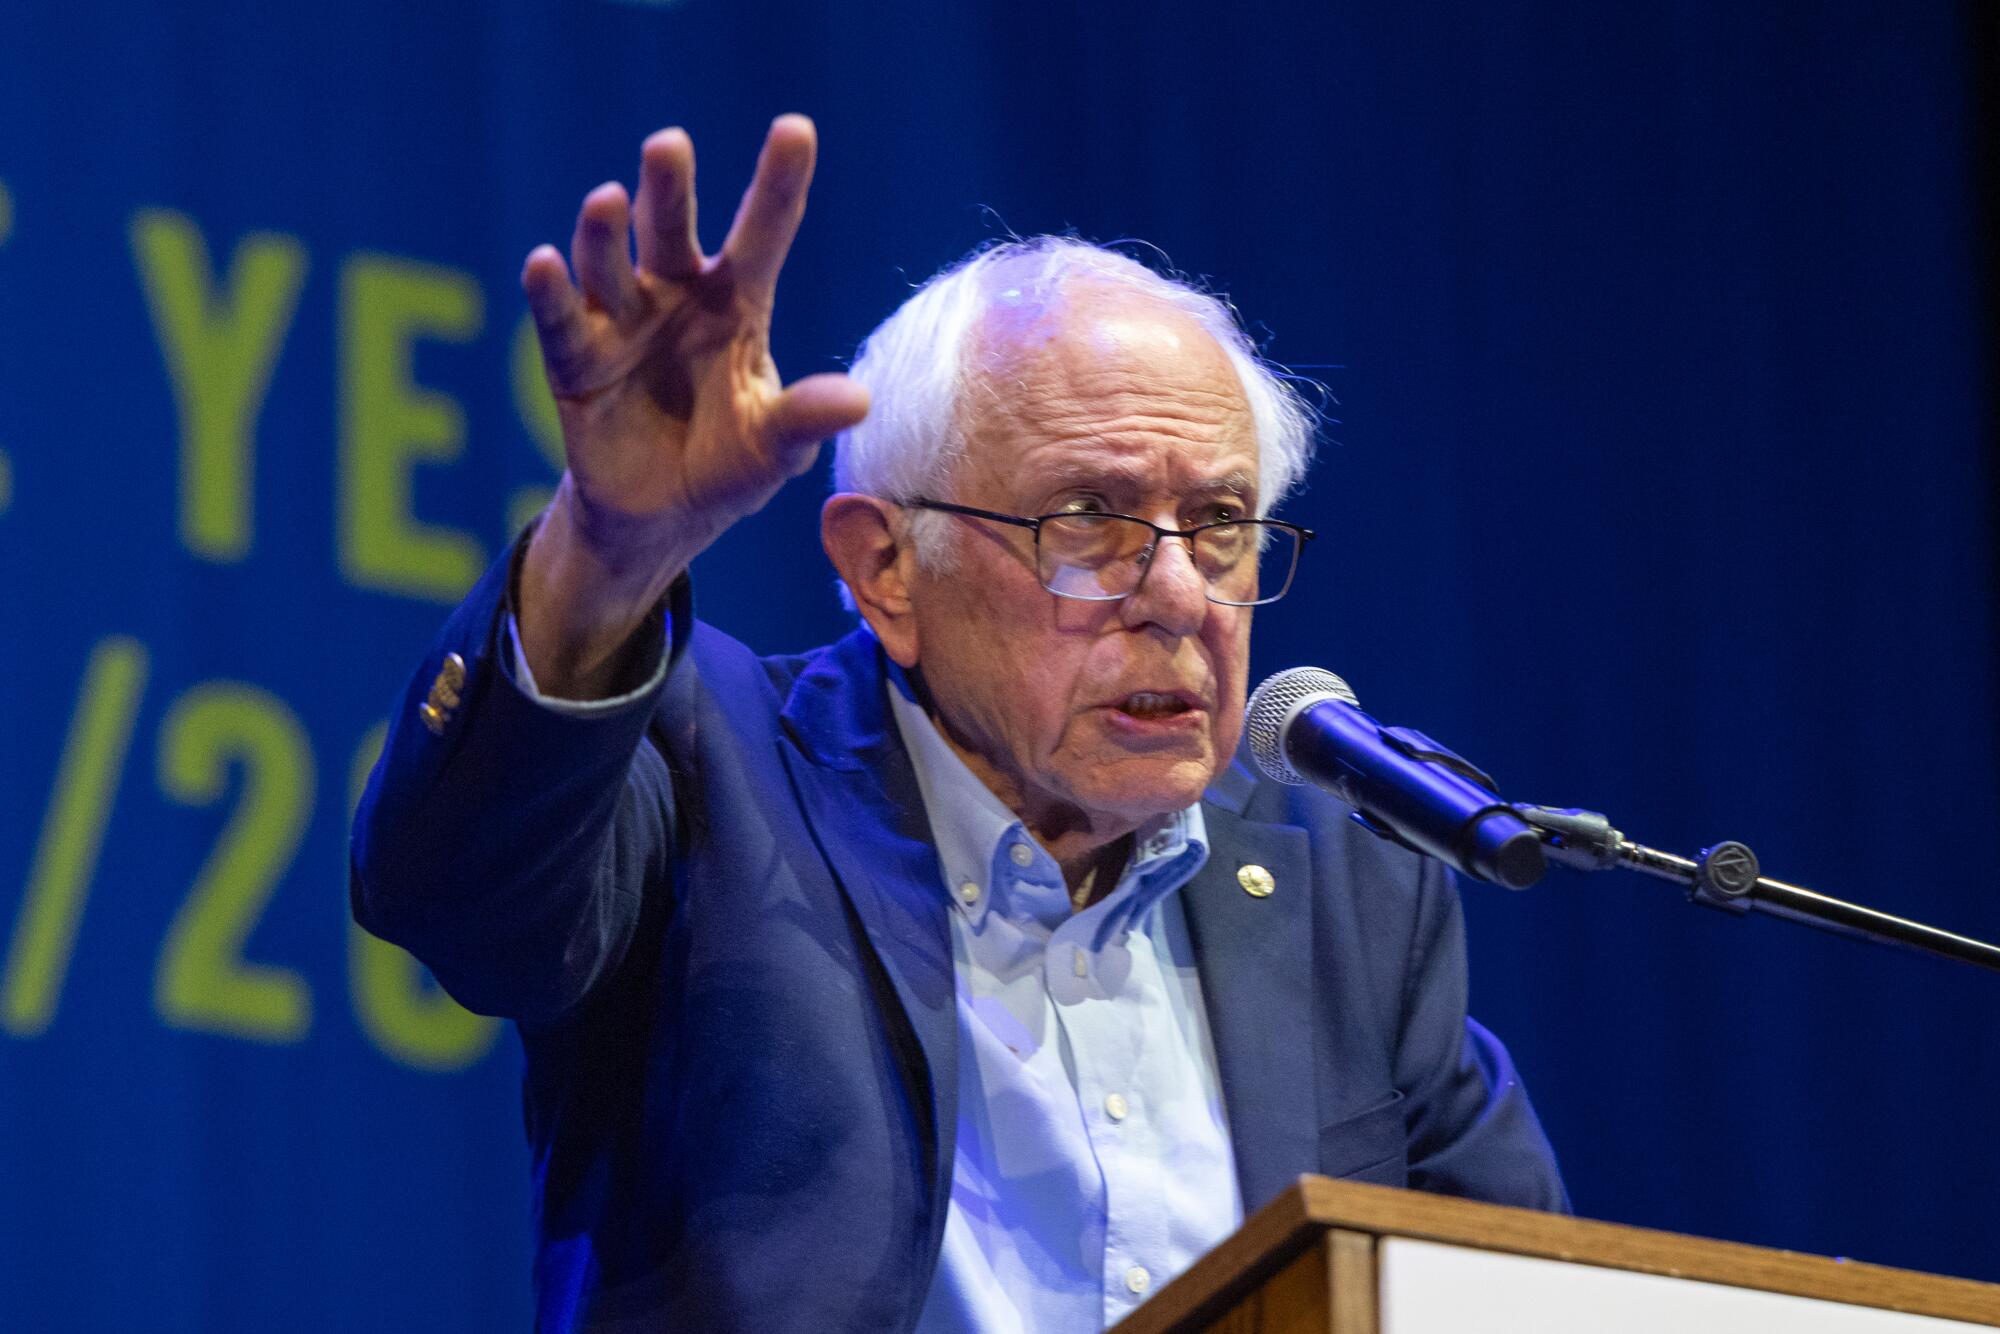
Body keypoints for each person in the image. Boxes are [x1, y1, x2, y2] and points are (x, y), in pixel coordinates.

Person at [351, 115, 1565, 1334]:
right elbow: (453, 897)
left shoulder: (1350, 893)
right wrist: (605, 550)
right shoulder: (713, 766)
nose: (1179, 593)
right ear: (886, 568)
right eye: (1087, 518)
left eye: (1220, 523)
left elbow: (1528, 1298)